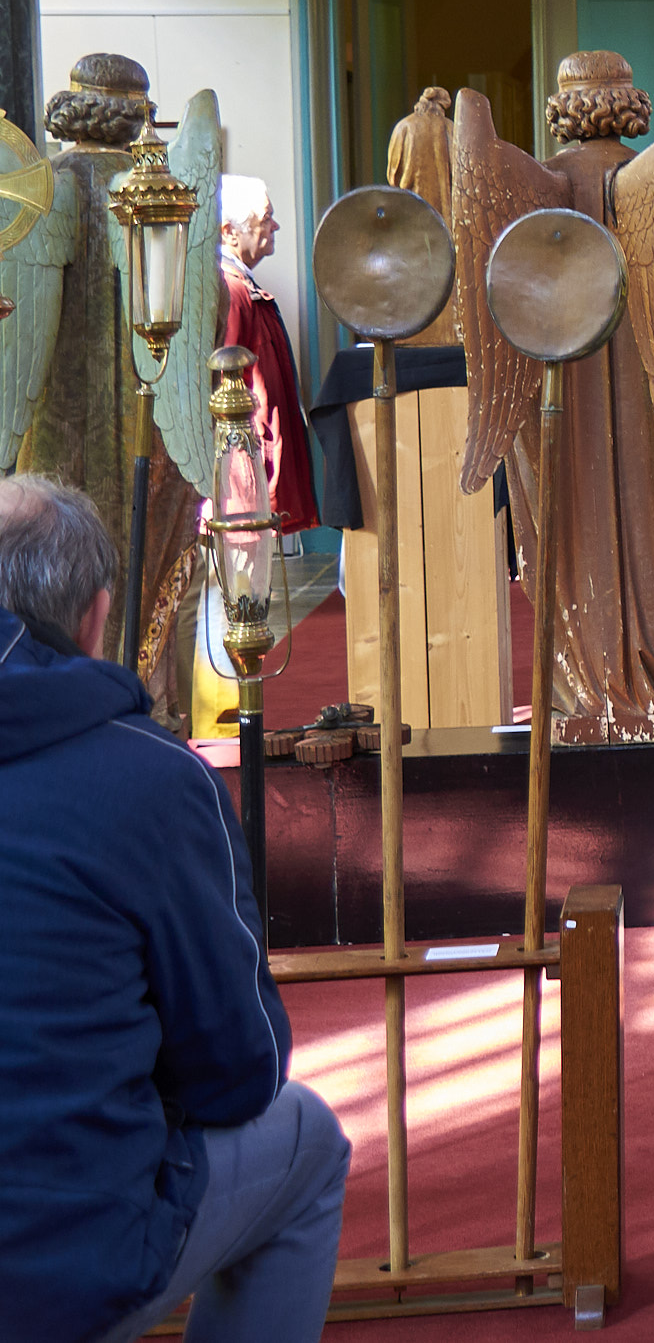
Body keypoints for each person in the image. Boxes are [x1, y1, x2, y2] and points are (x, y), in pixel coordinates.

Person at [0, 474, 350, 1343]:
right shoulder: (147, 775)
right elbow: (238, 1068)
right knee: (305, 1143)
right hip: (56, 1263)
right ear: (96, 617)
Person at [212, 178, 318, 536]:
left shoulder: (243, 287)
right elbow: (225, 390)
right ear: (229, 232)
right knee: (240, 577)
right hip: (244, 468)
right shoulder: (232, 290)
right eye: (266, 217)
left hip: (255, 458)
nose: (275, 226)